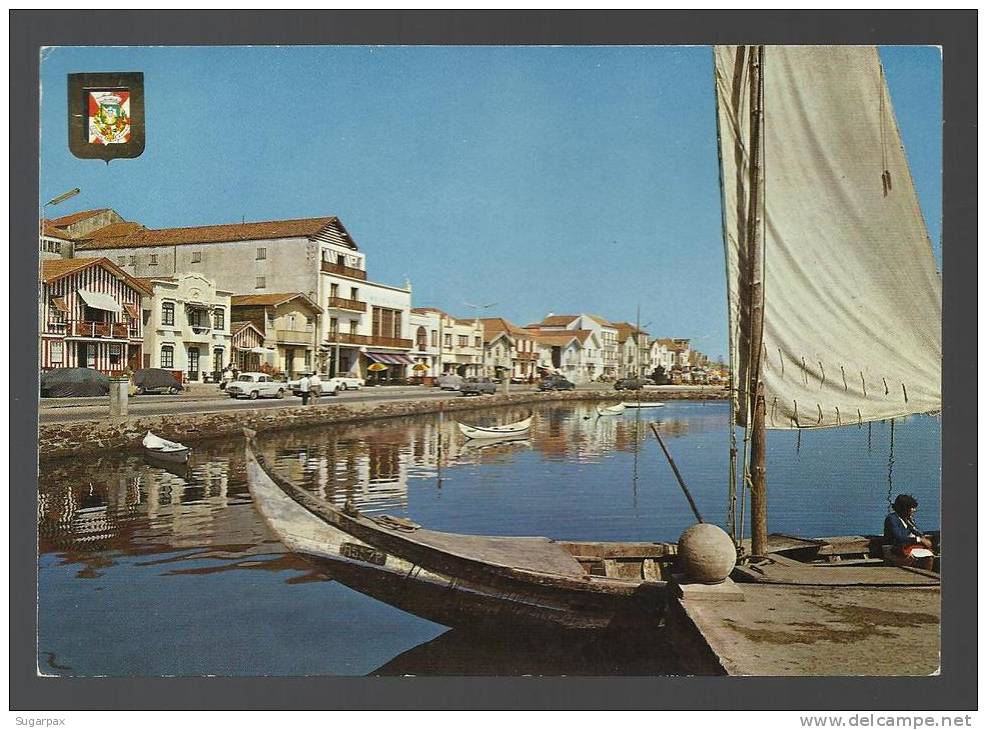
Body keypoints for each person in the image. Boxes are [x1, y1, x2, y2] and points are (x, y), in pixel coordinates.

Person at [883, 494, 935, 570]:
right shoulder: (892, 519)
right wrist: (919, 540)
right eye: (912, 508)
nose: (914, 510)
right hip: (892, 549)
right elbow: (899, 538)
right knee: (910, 558)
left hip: (905, 547)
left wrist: (921, 536)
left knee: (929, 557)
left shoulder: (908, 519)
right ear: (904, 508)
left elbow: (918, 532)